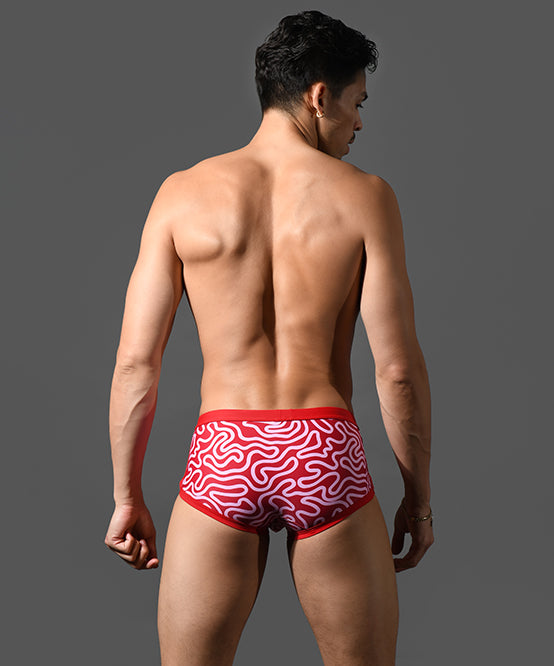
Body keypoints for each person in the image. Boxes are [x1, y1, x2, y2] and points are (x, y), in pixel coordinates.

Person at [105, 9, 433, 665]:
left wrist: (126, 496)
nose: (360, 123)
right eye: (358, 103)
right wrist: (418, 501)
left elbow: (137, 365)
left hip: (225, 452)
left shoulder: (181, 194)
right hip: (323, 451)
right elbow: (396, 370)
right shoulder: (367, 197)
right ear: (319, 96)